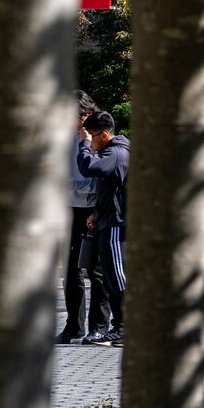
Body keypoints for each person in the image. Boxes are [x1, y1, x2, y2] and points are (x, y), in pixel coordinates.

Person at [75, 108, 130, 345]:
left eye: (91, 135)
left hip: (116, 224)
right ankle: (119, 327)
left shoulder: (116, 153)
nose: (88, 140)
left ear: (104, 135)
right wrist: (97, 214)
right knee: (110, 276)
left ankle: (127, 327)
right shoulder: (114, 151)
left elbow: (88, 167)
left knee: (117, 277)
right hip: (107, 220)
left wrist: (84, 146)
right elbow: (110, 191)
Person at [57, 91, 101, 343]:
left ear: (86, 114)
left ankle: (98, 326)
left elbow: (96, 177)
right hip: (67, 210)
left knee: (96, 271)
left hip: (93, 210)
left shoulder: (99, 136)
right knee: (70, 271)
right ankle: (73, 326)